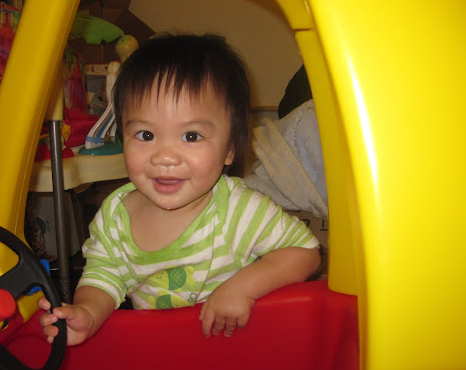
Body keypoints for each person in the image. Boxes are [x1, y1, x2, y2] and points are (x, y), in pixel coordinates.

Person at [39, 33, 321, 346]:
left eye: (191, 136)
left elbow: (304, 253)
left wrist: (242, 288)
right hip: (164, 350)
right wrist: (88, 313)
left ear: (229, 149)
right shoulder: (116, 216)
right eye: (145, 135)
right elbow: (103, 276)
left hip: (236, 347)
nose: (165, 157)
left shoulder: (238, 209)